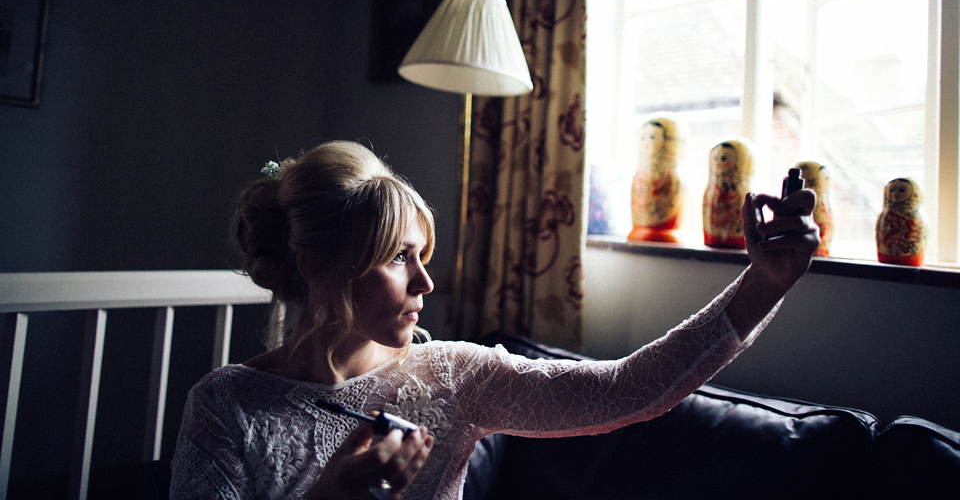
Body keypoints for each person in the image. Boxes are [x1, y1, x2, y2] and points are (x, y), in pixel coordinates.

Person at [170, 140, 819, 500]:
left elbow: (626, 390)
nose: (426, 281)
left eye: (423, 256)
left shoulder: (455, 377)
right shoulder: (227, 408)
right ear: (317, 267)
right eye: (400, 259)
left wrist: (762, 286)